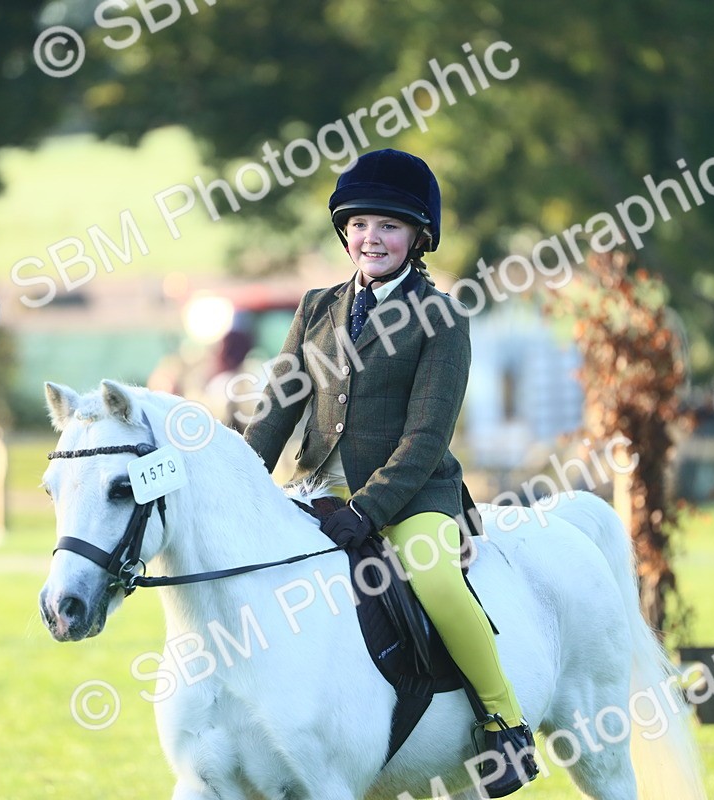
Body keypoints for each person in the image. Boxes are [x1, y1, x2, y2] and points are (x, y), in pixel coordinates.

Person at [243, 148, 535, 796]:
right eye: (361, 224)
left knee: (433, 576)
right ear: (345, 230)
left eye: (389, 227)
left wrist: (368, 511)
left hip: (411, 496)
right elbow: (274, 414)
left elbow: (427, 436)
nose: (371, 237)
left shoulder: (443, 316)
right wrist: (239, 482)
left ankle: (502, 719)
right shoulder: (316, 309)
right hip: (315, 487)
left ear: (417, 237)